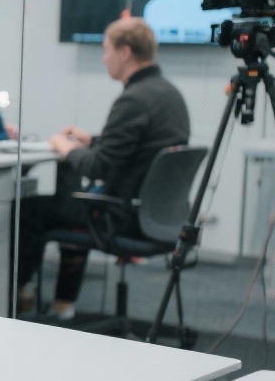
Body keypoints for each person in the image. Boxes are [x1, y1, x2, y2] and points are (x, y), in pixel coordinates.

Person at [15, 16, 189, 320]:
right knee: (72, 199)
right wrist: (92, 139)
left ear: (125, 52)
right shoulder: (168, 94)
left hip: (122, 216)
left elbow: (98, 167)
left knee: (29, 210)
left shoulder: (133, 100)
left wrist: (66, 146)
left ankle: (18, 296)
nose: (103, 58)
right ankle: (63, 304)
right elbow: (141, 149)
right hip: (157, 214)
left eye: (107, 50)